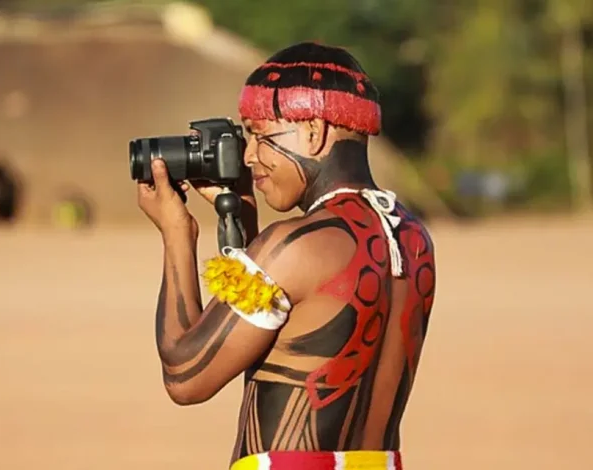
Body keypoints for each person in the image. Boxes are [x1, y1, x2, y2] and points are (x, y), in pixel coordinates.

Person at [137, 42, 437, 470]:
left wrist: (177, 233)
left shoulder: (295, 245)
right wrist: (245, 223)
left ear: (313, 132)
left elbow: (185, 377)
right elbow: (289, 325)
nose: (248, 155)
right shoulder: (411, 237)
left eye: (261, 135)